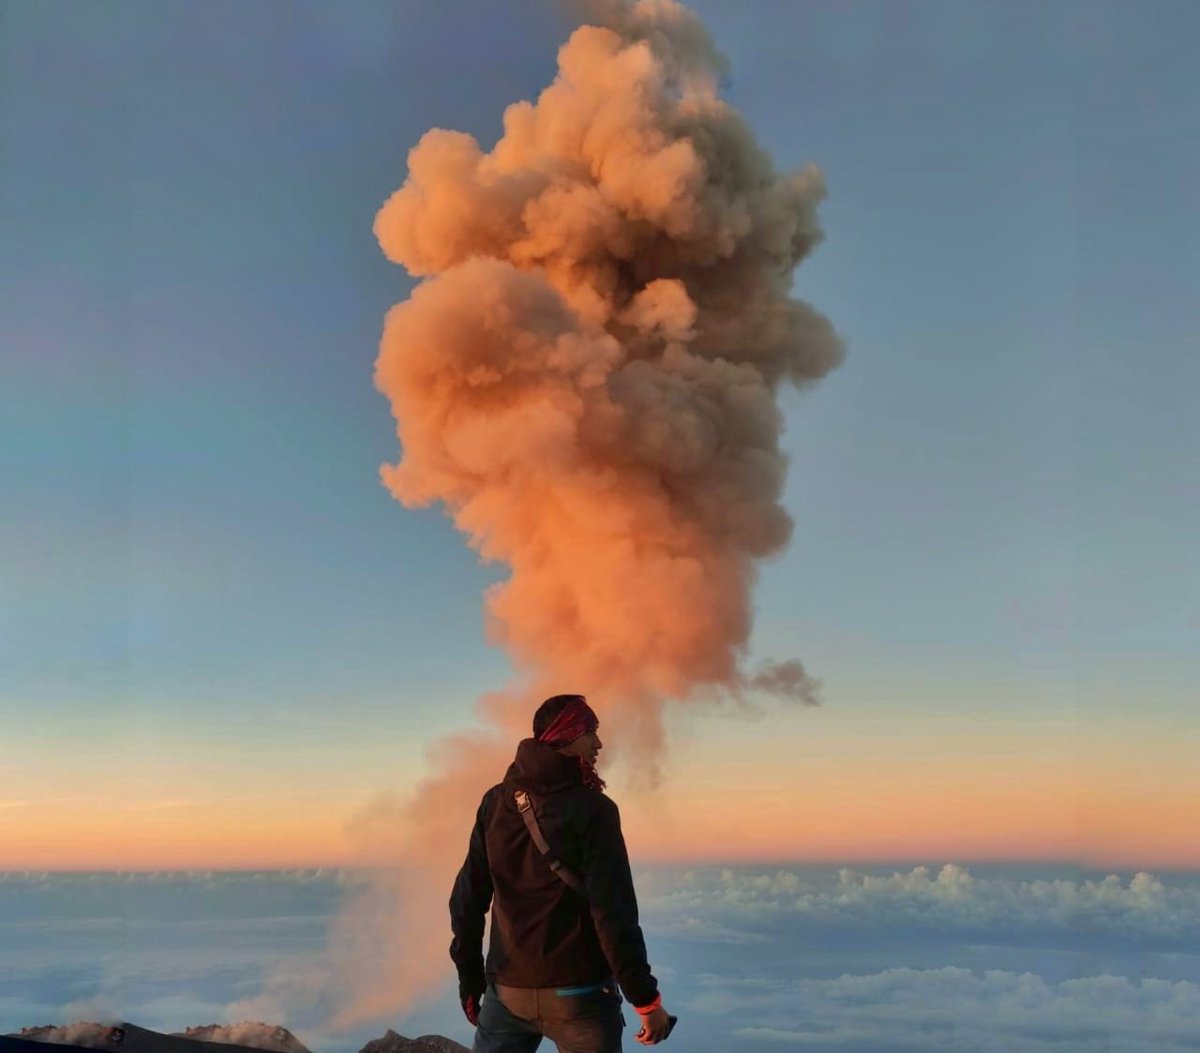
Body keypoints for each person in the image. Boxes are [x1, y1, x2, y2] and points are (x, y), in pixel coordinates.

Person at [449, 694, 674, 1051]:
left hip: (507, 993)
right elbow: (612, 912)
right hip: (580, 996)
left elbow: (467, 899)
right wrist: (645, 1000)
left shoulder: (496, 802)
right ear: (565, 736)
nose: (598, 743)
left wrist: (470, 982)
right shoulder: (595, 809)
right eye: (590, 732)